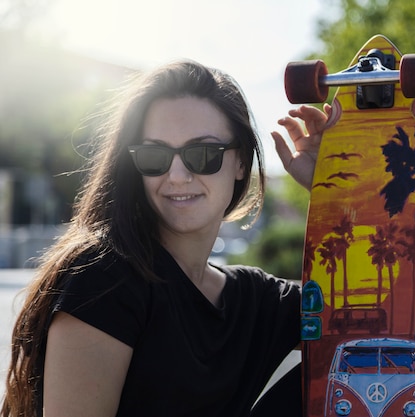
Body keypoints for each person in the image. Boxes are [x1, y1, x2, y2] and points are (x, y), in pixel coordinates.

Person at [1, 60, 330, 417]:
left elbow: (387, 317)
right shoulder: (103, 277)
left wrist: (336, 188)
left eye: (202, 155)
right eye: (155, 155)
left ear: (241, 162)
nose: (176, 176)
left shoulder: (254, 301)